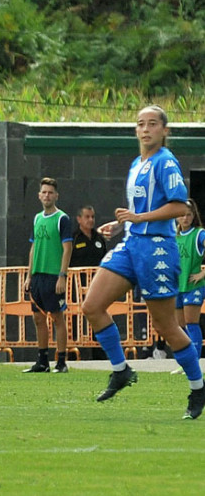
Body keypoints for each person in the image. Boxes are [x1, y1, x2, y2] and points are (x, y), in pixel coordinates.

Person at [81, 105, 205, 419]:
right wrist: (121, 224)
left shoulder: (166, 162)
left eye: (152, 124)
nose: (145, 129)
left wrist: (138, 218)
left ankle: (198, 387)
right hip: (131, 244)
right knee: (92, 306)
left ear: (165, 131)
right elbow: (142, 209)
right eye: (140, 124)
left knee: (167, 326)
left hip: (157, 250)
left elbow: (179, 206)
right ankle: (121, 370)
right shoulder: (138, 163)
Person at [22, 178, 72, 373]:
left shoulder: (62, 219)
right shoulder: (37, 218)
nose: (47, 196)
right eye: (44, 192)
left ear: (56, 195)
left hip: (53, 275)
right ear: (39, 195)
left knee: (58, 317)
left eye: (50, 192)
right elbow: (33, 248)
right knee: (38, 318)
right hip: (38, 276)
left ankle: (61, 361)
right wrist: (29, 276)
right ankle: (42, 360)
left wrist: (62, 275)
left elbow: (67, 249)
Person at [171, 198, 205, 374]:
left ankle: (194, 363)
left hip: (193, 285)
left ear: (193, 216)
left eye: (189, 215)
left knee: (192, 323)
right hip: (178, 286)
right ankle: (185, 362)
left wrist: (202, 273)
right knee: (180, 326)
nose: (185, 218)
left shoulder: (199, 234)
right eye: (182, 215)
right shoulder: (173, 236)